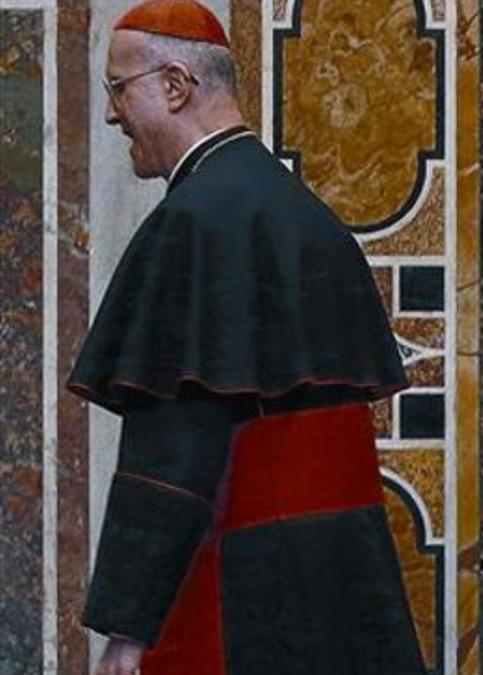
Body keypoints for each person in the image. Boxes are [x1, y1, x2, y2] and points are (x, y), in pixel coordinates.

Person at [70, 1, 427, 673]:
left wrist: (128, 627)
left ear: (175, 86)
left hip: (241, 585)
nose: (113, 114)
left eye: (119, 90)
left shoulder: (193, 223)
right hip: (339, 573)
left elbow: (174, 444)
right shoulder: (306, 212)